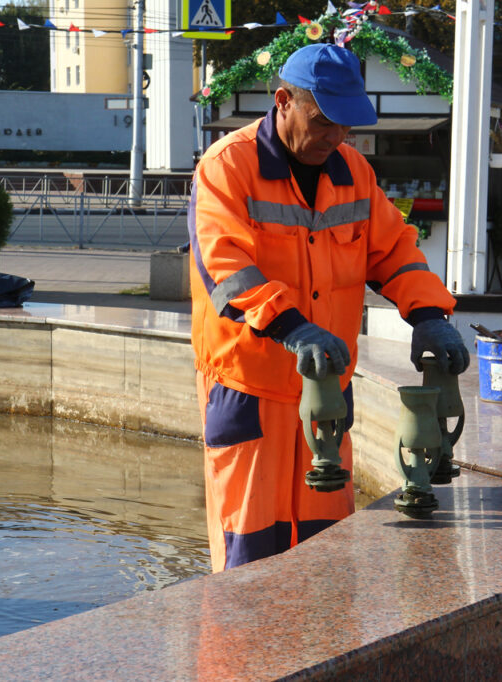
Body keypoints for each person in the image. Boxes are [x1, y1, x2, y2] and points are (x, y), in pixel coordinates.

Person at [187, 42, 468, 573]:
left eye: (346, 126)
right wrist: (293, 328)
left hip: (327, 393)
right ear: (283, 102)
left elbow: (395, 252)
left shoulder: (353, 172)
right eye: (323, 123)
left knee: (329, 554)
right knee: (249, 553)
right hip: (252, 390)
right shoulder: (227, 168)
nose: (335, 138)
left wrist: (429, 314)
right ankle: (242, 658)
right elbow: (226, 268)